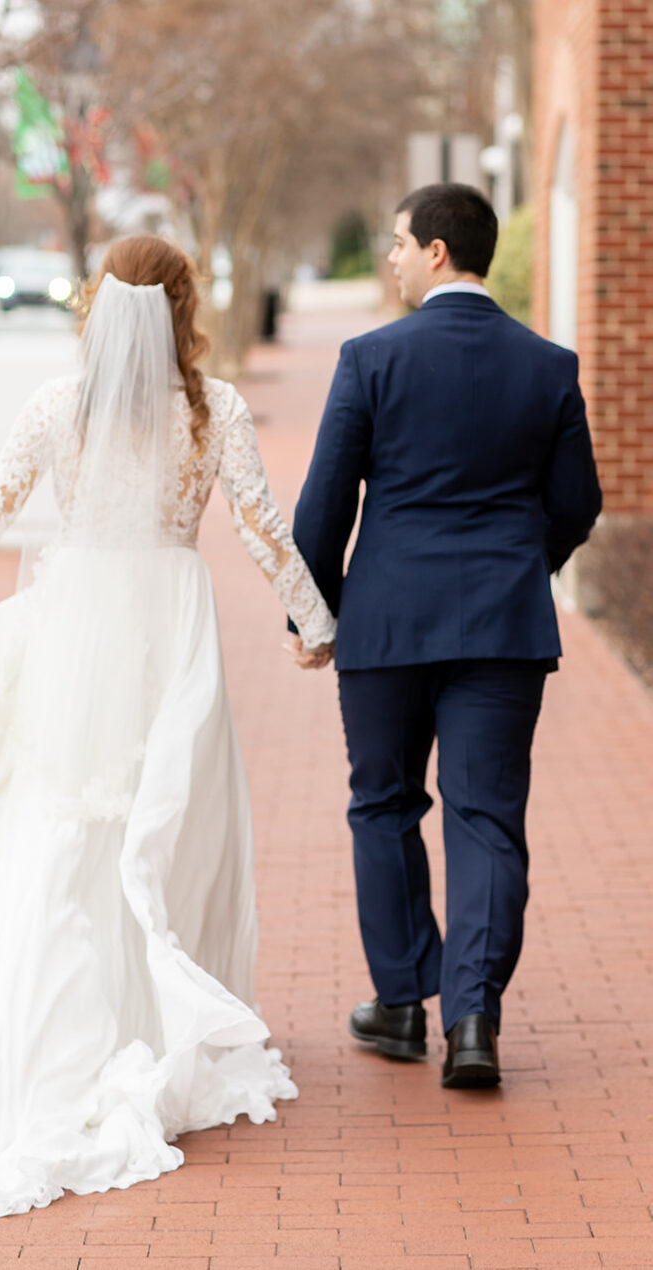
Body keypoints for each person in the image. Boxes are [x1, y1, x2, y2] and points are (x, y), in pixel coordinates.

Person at [0, 235, 336, 1217]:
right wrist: (317, 621)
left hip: (75, 623)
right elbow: (260, 528)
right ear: (186, 305)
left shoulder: (54, 407)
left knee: (70, 825)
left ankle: (76, 1030)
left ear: (98, 313)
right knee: (169, 822)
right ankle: (153, 1029)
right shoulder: (215, 408)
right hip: (169, 625)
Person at [290, 183, 601, 1088]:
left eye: (395, 243)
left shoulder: (370, 359)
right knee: (487, 818)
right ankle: (471, 1020)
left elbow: (324, 504)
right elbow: (576, 506)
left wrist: (312, 615)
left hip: (386, 626)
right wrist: (516, 568)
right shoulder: (548, 364)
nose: (388, 257)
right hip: (503, 628)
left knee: (383, 804)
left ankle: (397, 1004)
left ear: (434, 251)